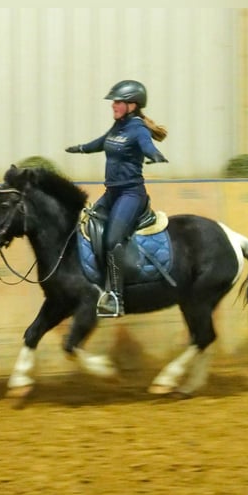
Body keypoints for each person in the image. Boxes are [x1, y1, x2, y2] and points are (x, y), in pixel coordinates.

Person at [66, 79, 168, 317]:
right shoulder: (117, 127)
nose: (113, 105)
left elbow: (146, 145)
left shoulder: (137, 128)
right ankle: (95, 280)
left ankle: (116, 297)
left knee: (112, 238)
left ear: (132, 105)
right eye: (114, 101)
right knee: (86, 223)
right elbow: (100, 143)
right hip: (112, 193)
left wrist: (155, 155)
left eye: (118, 102)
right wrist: (80, 148)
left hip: (131, 195)